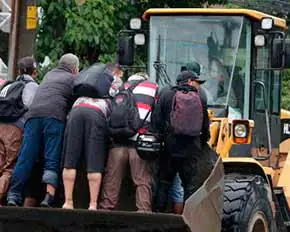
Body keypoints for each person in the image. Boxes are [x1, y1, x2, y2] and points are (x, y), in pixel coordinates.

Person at [6, 53, 80, 208]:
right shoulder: (73, 79)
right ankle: (49, 197)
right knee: (51, 158)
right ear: (74, 69)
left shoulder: (48, 75)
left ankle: (13, 195)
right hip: (54, 117)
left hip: (33, 117)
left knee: (26, 156)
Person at [151, 70, 210, 211]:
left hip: (169, 147)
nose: (199, 86)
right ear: (189, 81)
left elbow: (156, 122)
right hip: (191, 149)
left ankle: (159, 216)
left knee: (164, 182)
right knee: (189, 185)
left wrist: (161, 140)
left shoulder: (166, 94)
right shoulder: (200, 98)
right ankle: (188, 220)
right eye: (197, 82)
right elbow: (205, 127)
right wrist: (200, 143)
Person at [99, 72, 158, 212]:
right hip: (139, 142)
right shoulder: (152, 87)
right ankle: (143, 211)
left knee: (112, 179)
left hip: (118, 141)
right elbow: (157, 113)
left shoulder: (121, 88)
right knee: (142, 179)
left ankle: (105, 210)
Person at [0, 56, 39, 207]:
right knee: (11, 167)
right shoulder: (31, 86)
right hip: (15, 130)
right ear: (34, 72)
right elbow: (29, 106)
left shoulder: (8, 85)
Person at [61, 65, 115, 211]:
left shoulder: (79, 95)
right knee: (94, 161)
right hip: (96, 114)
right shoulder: (110, 90)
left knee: (70, 160)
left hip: (76, 112)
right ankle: (93, 204)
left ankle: (68, 202)